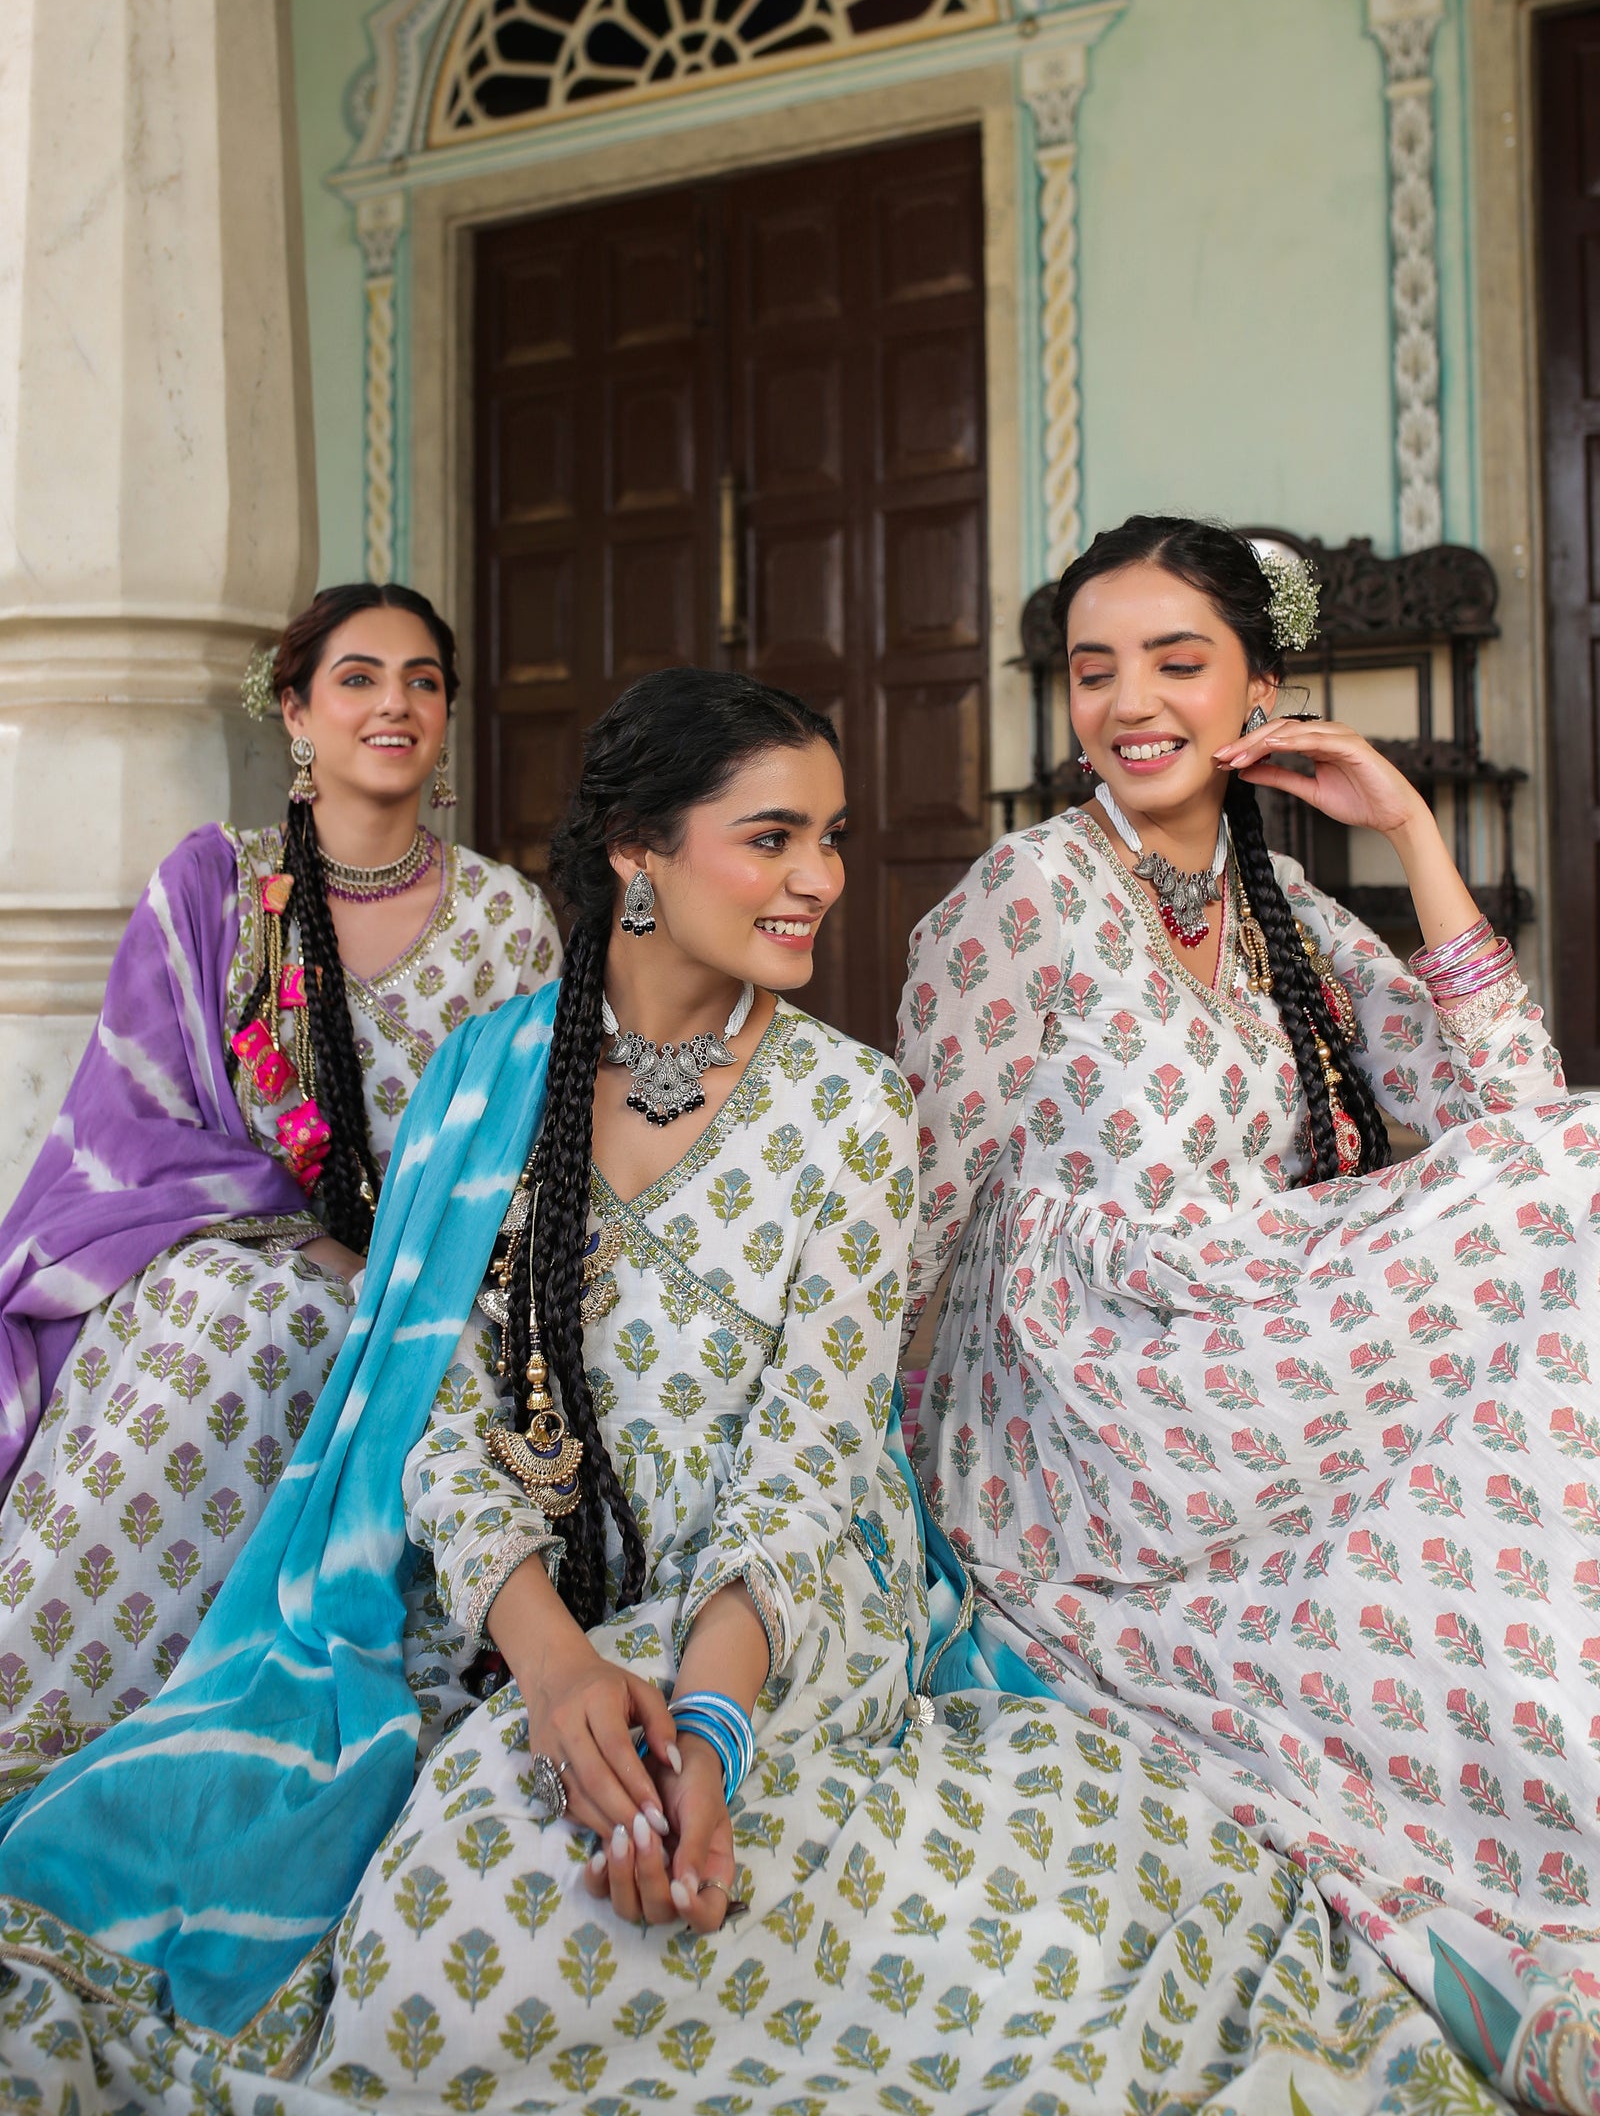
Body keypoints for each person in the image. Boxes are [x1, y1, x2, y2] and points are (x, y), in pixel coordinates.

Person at [0, 665, 1474, 2116]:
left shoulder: (848, 1103)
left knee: (610, 1882)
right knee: (466, 1879)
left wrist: (708, 1729)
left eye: (827, 837)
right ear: (640, 856)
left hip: (784, 1605)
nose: (819, 879)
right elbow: (435, 1424)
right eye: (772, 837)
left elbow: (805, 1468)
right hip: (525, 1612)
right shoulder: (485, 1079)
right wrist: (559, 1669)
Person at [901, 512, 1600, 2103]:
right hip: (1083, 1422)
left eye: (1177, 662)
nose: (1129, 702)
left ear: (1261, 694)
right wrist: (885, 1469)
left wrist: (1408, 832)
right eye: (1094, 670)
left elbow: (1522, 1123)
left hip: (1245, 1355)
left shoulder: (1286, 909)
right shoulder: (1026, 902)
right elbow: (921, 1208)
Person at [0, 583, 559, 1797]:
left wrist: (404, 1270)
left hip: (441, 1282)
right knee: (237, 1321)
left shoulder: (509, 920)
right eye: (358, 678)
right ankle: (68, 1724)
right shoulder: (214, 888)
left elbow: (535, 1146)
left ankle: (295, 1725)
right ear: (296, 714)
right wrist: (311, 1248)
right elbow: (135, 1119)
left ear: (448, 716)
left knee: (377, 1351)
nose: (394, 703)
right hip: (221, 1254)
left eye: (422, 680)